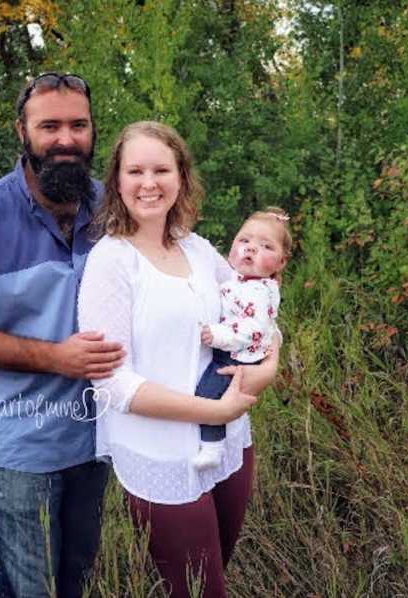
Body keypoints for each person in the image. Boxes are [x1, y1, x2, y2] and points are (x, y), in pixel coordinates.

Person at [0, 73, 125, 598]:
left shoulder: (111, 208)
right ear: (22, 131)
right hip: (22, 446)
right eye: (50, 126)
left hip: (98, 440)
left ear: (92, 131)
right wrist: (57, 358)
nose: (65, 139)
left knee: (75, 582)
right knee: (29, 590)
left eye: (78, 125)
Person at [77, 121, 280, 598]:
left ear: (181, 177)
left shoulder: (195, 246)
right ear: (117, 181)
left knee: (214, 576)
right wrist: (215, 410)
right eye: (136, 171)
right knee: (199, 590)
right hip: (163, 452)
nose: (149, 183)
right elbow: (111, 384)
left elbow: (258, 313)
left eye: (162, 169)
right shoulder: (112, 262)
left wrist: (265, 371)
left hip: (230, 441)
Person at [193, 207, 292, 470]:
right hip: (241, 351)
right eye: (244, 241)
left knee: (208, 393)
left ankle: (213, 446)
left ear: (282, 262)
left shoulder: (257, 291)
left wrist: (217, 335)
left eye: (265, 246)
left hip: (237, 356)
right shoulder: (244, 281)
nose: (250, 249)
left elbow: (253, 328)